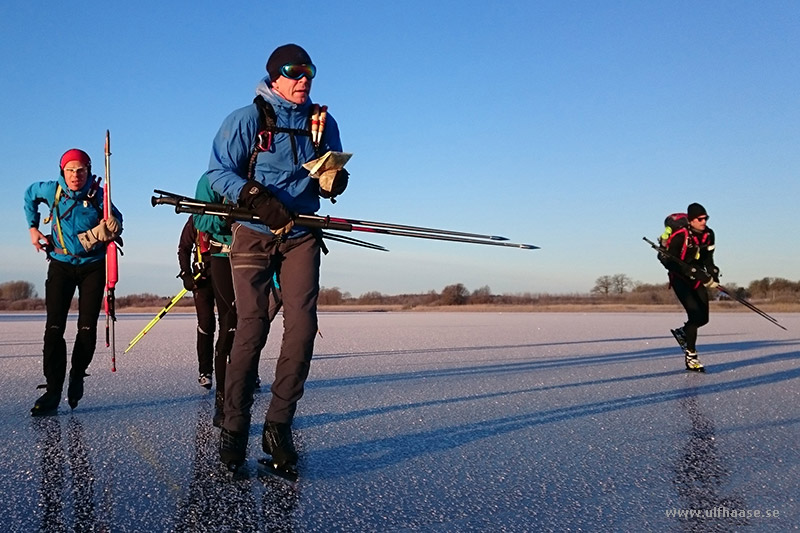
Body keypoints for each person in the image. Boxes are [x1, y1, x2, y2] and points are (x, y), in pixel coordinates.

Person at [206, 43, 347, 473]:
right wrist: (255, 196)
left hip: (302, 234)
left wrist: (333, 182)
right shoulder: (246, 119)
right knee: (250, 328)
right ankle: (234, 427)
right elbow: (218, 173)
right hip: (253, 232)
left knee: (303, 328)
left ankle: (279, 426)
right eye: (294, 72)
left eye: (310, 73)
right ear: (274, 77)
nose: (303, 80)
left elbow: (330, 179)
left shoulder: (323, 123)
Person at [24, 148, 123, 415]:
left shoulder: (100, 194)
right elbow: (29, 195)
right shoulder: (51, 190)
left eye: (80, 170)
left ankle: (77, 374)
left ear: (88, 171)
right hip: (61, 266)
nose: (75, 176)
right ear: (62, 171)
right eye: (70, 170)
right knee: (54, 328)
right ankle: (53, 391)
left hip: (92, 268)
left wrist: (112, 226)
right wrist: (33, 228)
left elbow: (118, 220)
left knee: (86, 328)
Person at [193, 172, 283, 427]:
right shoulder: (211, 179)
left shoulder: (267, 170)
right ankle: (224, 402)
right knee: (231, 324)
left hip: (260, 254)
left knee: (256, 324)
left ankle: (245, 389)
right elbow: (199, 219)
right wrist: (225, 217)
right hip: (224, 256)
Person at [660, 203, 719, 372]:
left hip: (697, 277)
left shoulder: (709, 234)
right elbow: (670, 262)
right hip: (680, 278)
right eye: (700, 219)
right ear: (691, 220)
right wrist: (691, 271)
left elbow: (708, 259)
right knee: (694, 314)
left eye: (705, 218)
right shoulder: (681, 235)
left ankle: (682, 332)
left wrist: (712, 274)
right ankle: (691, 357)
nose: (703, 221)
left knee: (703, 318)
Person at [177, 216, 217, 390]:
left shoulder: (229, 212)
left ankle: (243, 370)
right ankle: (205, 371)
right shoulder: (196, 218)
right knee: (206, 323)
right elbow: (184, 247)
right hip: (202, 278)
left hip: (228, 274)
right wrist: (186, 273)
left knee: (233, 323)